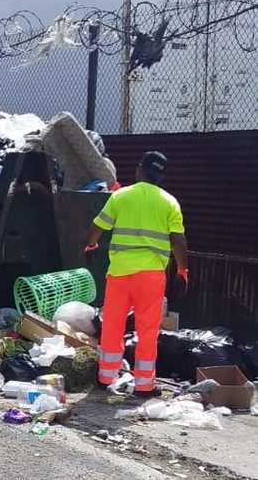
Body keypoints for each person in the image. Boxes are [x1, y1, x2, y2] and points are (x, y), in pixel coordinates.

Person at [86, 151, 188, 398]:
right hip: (151, 276)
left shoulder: (120, 196)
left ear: (139, 170)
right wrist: (183, 270)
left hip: (120, 273)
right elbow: (178, 240)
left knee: (112, 325)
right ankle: (144, 385)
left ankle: (105, 378)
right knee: (148, 330)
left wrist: (91, 245)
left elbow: (97, 227)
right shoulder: (169, 202)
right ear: (161, 176)